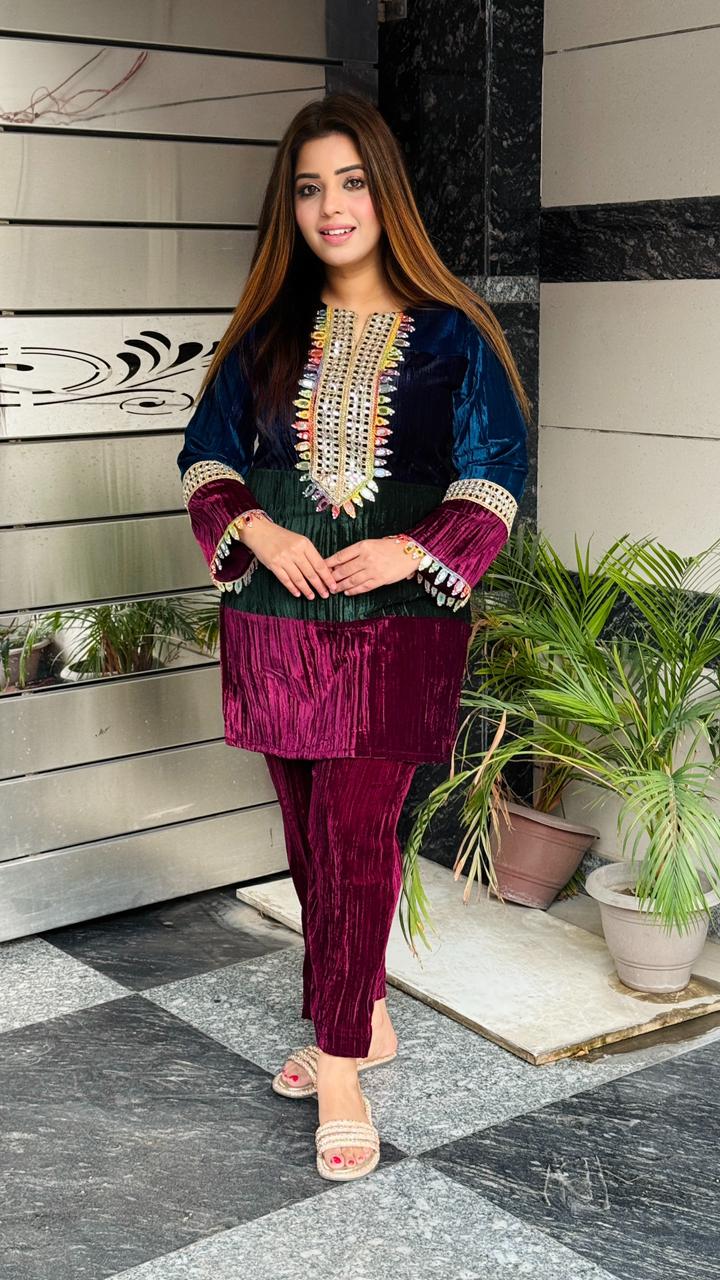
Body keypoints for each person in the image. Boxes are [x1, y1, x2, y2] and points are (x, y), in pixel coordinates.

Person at [177, 91, 530, 1182]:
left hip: (397, 629)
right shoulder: (264, 336)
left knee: (358, 836)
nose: (331, 206)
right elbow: (207, 460)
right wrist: (259, 529)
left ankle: (339, 1067)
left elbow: (495, 478)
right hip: (278, 624)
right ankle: (363, 1015)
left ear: (387, 194)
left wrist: (413, 549)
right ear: (289, 208)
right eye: (309, 188)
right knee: (308, 839)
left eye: (352, 182)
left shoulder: (453, 337)